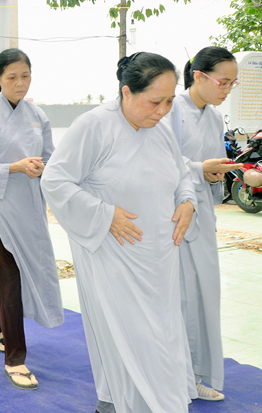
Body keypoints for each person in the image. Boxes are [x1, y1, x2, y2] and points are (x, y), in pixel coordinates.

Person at [41, 52, 198, 413]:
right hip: (115, 255)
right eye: (155, 102)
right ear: (127, 92)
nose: (163, 111)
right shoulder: (92, 126)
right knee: (128, 335)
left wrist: (187, 199)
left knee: (162, 334)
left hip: (160, 257)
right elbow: (55, 180)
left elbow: (182, 173)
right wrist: (105, 214)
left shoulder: (159, 129)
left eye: (170, 102)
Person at [0, 49, 63, 390]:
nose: (20, 83)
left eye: (25, 76)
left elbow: (50, 157)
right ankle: (15, 359)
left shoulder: (37, 115)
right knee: (9, 281)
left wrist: (41, 167)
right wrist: (15, 167)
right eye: (12, 77)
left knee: (24, 275)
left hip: (28, 209)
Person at [168, 47, 241, 402]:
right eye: (222, 82)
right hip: (172, 216)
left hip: (203, 214)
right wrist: (199, 169)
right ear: (198, 76)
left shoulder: (213, 117)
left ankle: (198, 374)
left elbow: (212, 166)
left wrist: (224, 173)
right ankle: (177, 379)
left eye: (232, 84)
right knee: (180, 296)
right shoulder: (169, 110)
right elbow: (160, 160)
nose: (227, 90)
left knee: (204, 294)